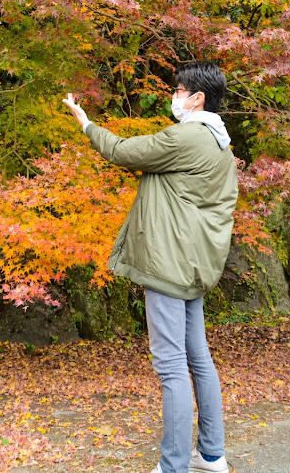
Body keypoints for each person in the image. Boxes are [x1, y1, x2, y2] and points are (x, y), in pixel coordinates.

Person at [63, 61, 238, 473]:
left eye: (178, 90)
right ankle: (212, 455)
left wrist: (86, 123)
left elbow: (122, 152)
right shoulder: (221, 145)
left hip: (166, 263)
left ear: (197, 98)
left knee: (172, 364)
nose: (173, 96)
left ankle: (173, 466)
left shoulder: (189, 136)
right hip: (192, 265)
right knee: (198, 358)